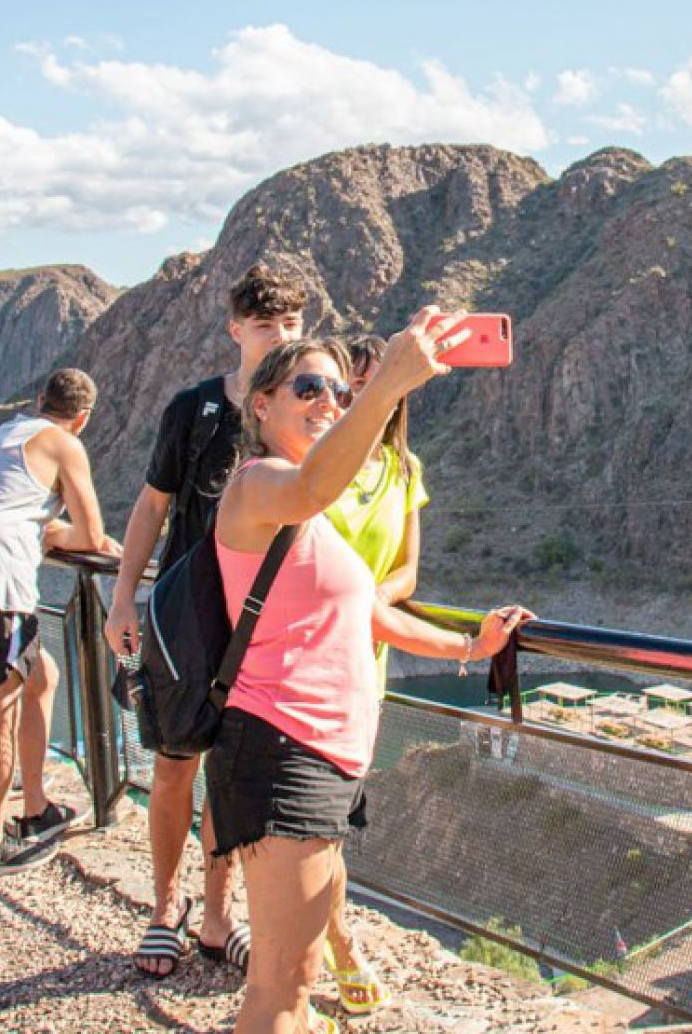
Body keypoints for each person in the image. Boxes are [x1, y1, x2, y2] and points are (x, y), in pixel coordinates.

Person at [212, 325, 530, 1034]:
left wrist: (470, 647)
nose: (328, 400)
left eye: (337, 389)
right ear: (261, 404)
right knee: (283, 988)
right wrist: (388, 383)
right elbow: (315, 483)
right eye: (308, 388)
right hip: (281, 750)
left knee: (295, 980)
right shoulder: (260, 484)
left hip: (321, 752)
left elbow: (370, 613)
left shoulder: (311, 519)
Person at [104, 263, 306, 977]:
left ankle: (219, 916)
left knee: (229, 774)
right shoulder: (195, 409)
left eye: (291, 324)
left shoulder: (300, 414)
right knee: (173, 766)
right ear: (235, 330)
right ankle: (165, 909)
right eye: (265, 325)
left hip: (265, 624)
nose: (279, 337)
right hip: (190, 618)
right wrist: (122, 599)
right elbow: (152, 505)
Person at [0, 368, 120, 876]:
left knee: (42, 678)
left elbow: (13, 510)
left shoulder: (5, 433)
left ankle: (37, 808)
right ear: (83, 417)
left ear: (40, 400)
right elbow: (92, 536)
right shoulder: (65, 444)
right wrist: (68, 537)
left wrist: (49, 530)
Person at [318, 333, 428, 1015]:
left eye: (368, 383)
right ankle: (334, 944)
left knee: (331, 819)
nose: (356, 397)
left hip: (364, 664)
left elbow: (408, 571)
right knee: (312, 821)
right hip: (300, 660)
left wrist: (367, 603)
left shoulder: (406, 469)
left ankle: (313, 943)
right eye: (346, 387)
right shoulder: (315, 462)